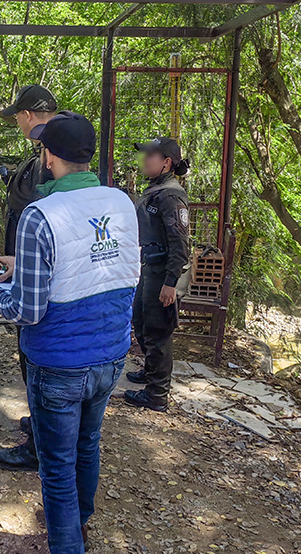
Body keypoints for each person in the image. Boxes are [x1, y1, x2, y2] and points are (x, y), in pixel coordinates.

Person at [0, 113, 140, 554]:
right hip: (110, 353)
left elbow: (28, 310)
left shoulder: (39, 214)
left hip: (58, 362)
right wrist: (21, 264)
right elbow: (100, 264)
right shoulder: (121, 202)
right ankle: (79, 523)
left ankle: (68, 550)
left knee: (56, 467)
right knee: (87, 444)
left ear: (49, 157)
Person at [0, 84, 57, 472]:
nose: (17, 121)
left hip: (37, 273)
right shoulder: (42, 153)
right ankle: (41, 424)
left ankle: (39, 445)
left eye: (18, 115)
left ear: (28, 115)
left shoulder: (52, 155)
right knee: (28, 352)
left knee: (35, 354)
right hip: (25, 264)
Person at [123, 137, 191, 412]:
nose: (145, 159)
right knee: (142, 323)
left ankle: (157, 395)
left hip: (163, 272)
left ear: (166, 162)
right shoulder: (155, 189)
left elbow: (180, 244)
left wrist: (170, 282)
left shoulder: (171, 195)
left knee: (158, 331)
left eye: (150, 155)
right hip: (149, 268)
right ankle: (150, 373)